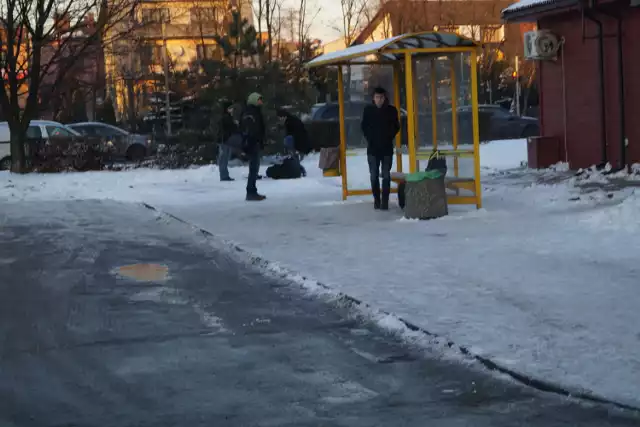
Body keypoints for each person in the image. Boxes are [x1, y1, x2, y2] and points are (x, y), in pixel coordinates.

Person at [361, 87, 400, 210]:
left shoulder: (391, 111)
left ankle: (385, 202)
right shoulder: (368, 111)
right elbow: (364, 127)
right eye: (377, 97)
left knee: (386, 175)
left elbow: (396, 126)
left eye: (381, 97)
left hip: (386, 148)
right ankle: (377, 200)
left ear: (385, 98)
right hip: (372, 149)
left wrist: (388, 136)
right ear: (373, 98)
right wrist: (370, 138)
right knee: (374, 175)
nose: (379, 100)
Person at [241, 92, 267, 201]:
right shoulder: (251, 113)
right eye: (259, 100)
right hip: (252, 143)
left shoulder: (252, 112)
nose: (261, 102)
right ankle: (251, 192)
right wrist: (255, 141)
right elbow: (253, 129)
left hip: (253, 143)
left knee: (254, 169)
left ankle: (252, 190)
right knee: (253, 169)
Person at [276, 108, 309, 176]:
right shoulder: (290, 120)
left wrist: (295, 147)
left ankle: (300, 170)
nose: (280, 119)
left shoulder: (291, 122)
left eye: (280, 118)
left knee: (294, 157)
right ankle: (300, 170)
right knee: (294, 157)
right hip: (297, 141)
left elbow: (295, 134)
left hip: (299, 142)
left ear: (284, 116)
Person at [218, 100, 238, 181]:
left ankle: (224, 175)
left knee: (225, 158)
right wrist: (235, 124)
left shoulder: (227, 117)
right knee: (224, 158)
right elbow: (230, 128)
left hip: (226, 140)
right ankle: (224, 176)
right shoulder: (226, 117)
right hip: (225, 140)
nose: (232, 110)